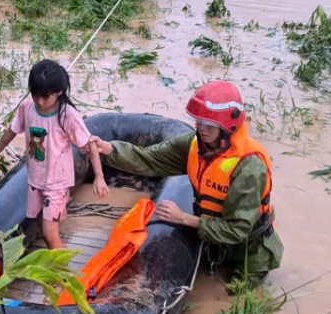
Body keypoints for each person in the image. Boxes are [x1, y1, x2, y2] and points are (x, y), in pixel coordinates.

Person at [87, 80, 282, 282]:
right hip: (212, 237)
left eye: (209, 125)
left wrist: (183, 219)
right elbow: (149, 159)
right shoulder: (193, 144)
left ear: (227, 126)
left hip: (247, 251)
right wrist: (110, 150)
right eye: (199, 122)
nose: (202, 129)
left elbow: (237, 231)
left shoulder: (248, 167)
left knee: (233, 295)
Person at [0, 60, 108, 250]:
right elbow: (12, 131)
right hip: (35, 179)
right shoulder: (27, 107)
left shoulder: (67, 115)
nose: (40, 102)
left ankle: (65, 278)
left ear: (58, 92)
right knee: (42, 227)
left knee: (50, 234)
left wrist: (99, 177)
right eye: (35, 95)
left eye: (45, 97)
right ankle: (59, 259)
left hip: (56, 182)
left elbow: (90, 144)